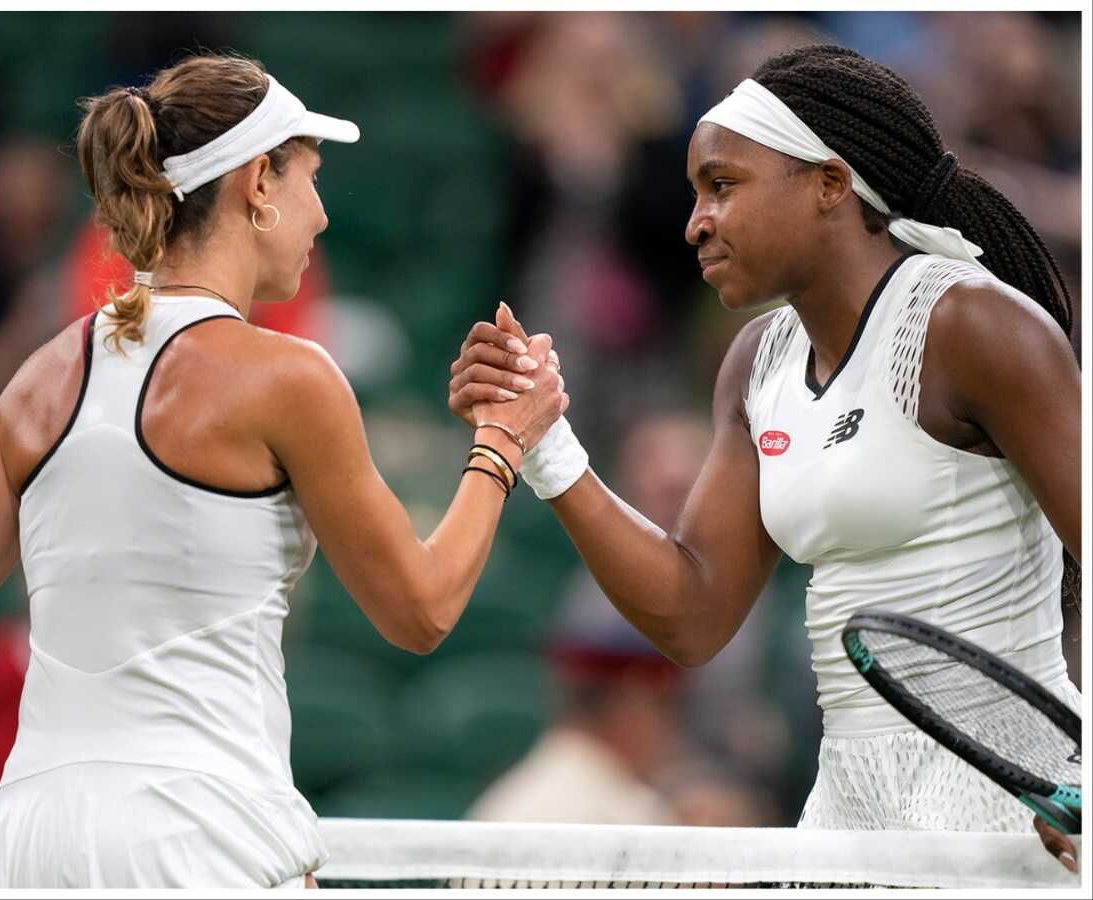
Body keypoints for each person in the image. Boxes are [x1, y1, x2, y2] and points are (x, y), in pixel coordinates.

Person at [0, 53, 566, 889]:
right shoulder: (289, 378)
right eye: (310, 179)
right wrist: (501, 443)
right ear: (258, 183)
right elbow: (422, 609)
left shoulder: (36, 380)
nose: (321, 216)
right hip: (205, 833)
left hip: (37, 841)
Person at [448, 44, 1080, 873]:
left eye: (723, 185)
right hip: (846, 807)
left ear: (828, 185)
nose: (695, 221)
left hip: (1019, 811)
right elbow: (692, 616)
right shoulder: (757, 361)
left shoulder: (973, 325)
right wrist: (548, 447)